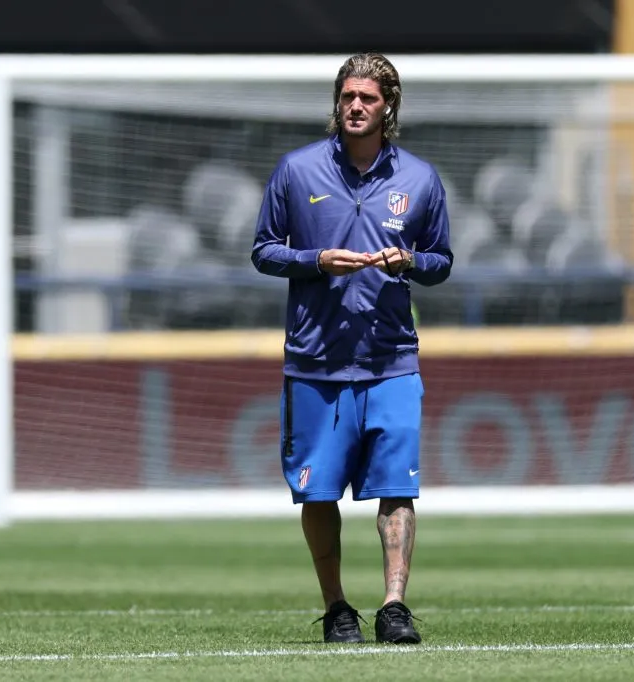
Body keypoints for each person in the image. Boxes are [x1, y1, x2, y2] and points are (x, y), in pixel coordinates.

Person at [251, 52, 453, 645]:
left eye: (367, 98)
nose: (356, 107)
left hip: (392, 358)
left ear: (388, 105)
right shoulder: (296, 171)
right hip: (315, 360)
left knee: (398, 487)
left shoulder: (419, 179)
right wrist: (315, 261)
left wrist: (412, 260)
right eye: (347, 97)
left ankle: (394, 607)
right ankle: (337, 607)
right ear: (336, 104)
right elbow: (263, 249)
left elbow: (441, 262)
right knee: (318, 490)